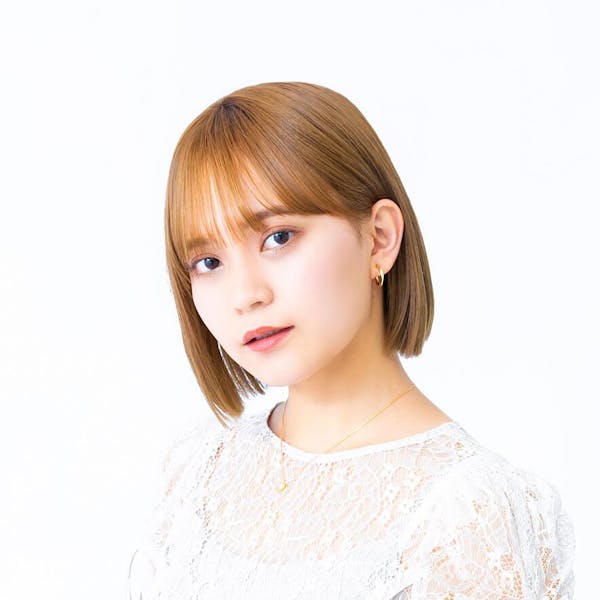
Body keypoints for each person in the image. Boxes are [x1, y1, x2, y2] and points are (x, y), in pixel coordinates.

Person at [128, 81, 576, 599]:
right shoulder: (196, 473)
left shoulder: (469, 511)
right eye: (209, 262)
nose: (245, 295)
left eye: (278, 238)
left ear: (380, 238)